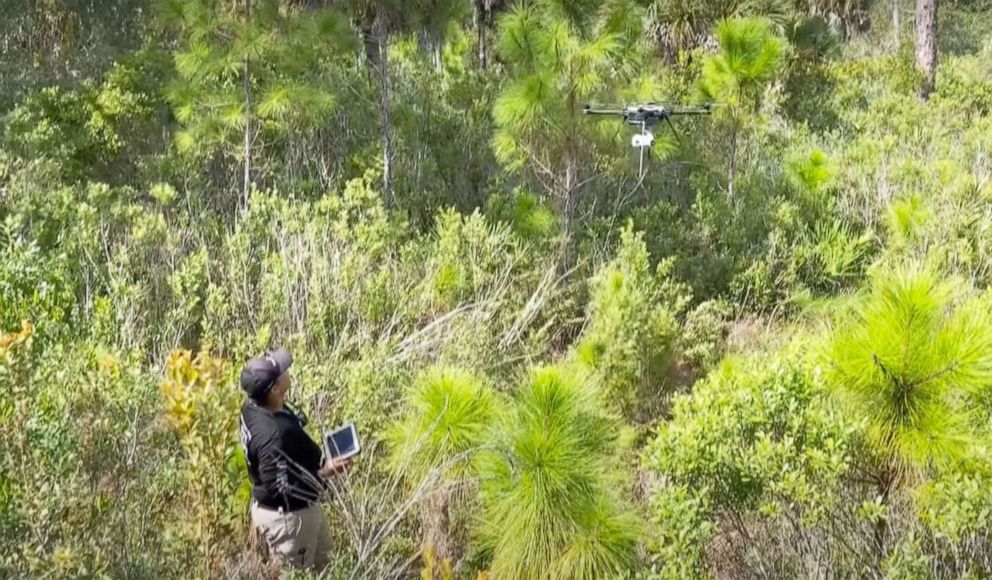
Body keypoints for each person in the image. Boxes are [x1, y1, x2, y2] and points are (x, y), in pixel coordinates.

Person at [238, 348, 349, 571]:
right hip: (288, 522)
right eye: (282, 372)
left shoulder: (252, 408)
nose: (287, 370)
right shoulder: (273, 437)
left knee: (327, 567)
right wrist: (325, 473)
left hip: (303, 512)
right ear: (274, 389)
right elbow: (281, 488)